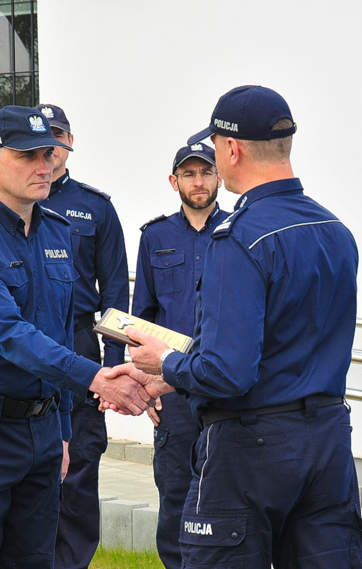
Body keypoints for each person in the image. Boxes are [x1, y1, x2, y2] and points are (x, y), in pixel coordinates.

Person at [124, 85, 362, 567]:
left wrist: (166, 361)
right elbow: (285, 346)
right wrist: (173, 377)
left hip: (251, 448)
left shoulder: (239, 238)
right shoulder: (335, 231)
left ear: (232, 149)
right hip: (328, 441)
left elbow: (228, 373)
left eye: (214, 148)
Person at [0, 105, 149, 569]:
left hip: (41, 429)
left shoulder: (59, 233)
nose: (43, 166)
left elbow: (61, 332)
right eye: (27, 155)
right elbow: (10, 334)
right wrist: (98, 379)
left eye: (49, 154)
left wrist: (62, 430)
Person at [33, 103, 130, 569]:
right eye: (41, 139)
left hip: (78, 343)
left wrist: (113, 366)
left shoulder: (95, 207)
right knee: (27, 466)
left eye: (58, 138)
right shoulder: (10, 201)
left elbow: (114, 297)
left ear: (69, 144)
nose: (49, 150)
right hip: (24, 345)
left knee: (79, 469)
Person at [131, 142, 229, 569]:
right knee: (175, 492)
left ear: (219, 177)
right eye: (188, 174)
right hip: (171, 391)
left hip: (224, 387)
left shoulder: (238, 231)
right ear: (175, 182)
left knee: (225, 491)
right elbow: (140, 321)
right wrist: (144, 386)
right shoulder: (156, 237)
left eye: (205, 173)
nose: (198, 182)